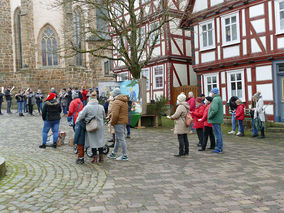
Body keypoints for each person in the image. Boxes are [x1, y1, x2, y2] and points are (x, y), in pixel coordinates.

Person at [76, 92, 105, 164]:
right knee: (100, 141)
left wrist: (77, 121)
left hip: (91, 126)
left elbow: (80, 117)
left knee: (93, 142)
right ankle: (101, 157)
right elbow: (104, 116)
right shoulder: (101, 107)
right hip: (100, 127)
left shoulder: (87, 107)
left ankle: (94, 157)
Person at [107, 88, 129, 161]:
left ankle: (124, 155)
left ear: (115, 94)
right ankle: (114, 153)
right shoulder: (124, 101)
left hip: (119, 122)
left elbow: (115, 114)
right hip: (123, 121)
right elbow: (118, 112)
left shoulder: (116, 102)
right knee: (118, 139)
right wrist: (110, 115)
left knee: (121, 139)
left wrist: (112, 122)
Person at [208, 88, 224, 153]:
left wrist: (209, 116)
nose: (210, 93)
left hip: (215, 119)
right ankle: (220, 147)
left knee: (217, 134)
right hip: (218, 119)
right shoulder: (218, 98)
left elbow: (214, 110)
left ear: (213, 93)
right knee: (219, 134)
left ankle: (218, 148)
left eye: (211, 92)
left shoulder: (215, 99)